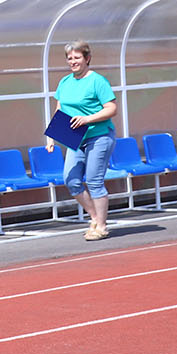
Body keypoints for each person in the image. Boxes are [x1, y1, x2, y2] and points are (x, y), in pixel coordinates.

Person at [45, 40, 118, 241]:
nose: (73, 61)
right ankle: (94, 217)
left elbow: (111, 109)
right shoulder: (65, 82)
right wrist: (51, 136)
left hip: (99, 136)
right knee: (71, 179)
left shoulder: (97, 81)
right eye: (70, 58)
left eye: (77, 57)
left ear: (87, 58)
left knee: (94, 181)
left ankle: (101, 227)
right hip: (75, 138)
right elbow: (60, 111)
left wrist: (88, 118)